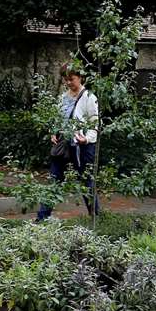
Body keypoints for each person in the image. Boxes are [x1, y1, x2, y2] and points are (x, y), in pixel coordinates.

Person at [37, 64, 100, 221]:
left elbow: (95, 124)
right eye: (65, 80)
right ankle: (42, 219)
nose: (68, 83)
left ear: (80, 77)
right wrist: (54, 132)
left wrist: (87, 138)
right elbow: (58, 119)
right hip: (63, 145)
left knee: (87, 183)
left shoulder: (89, 98)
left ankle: (97, 219)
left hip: (82, 147)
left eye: (71, 79)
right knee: (54, 181)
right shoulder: (63, 98)